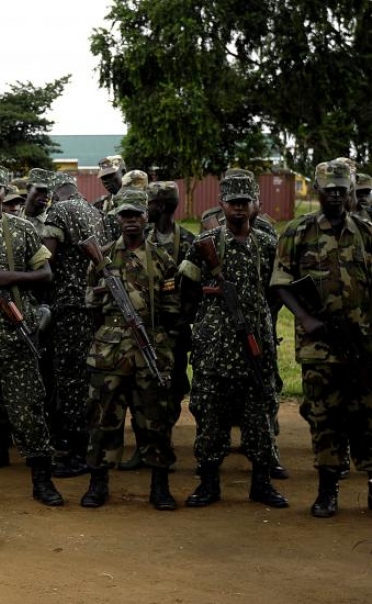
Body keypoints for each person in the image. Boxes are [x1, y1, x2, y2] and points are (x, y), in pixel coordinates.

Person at [179, 171, 287, 509]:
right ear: (222, 204)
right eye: (232, 203)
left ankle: (261, 483)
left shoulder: (268, 244)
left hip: (256, 348)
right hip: (215, 351)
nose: (239, 209)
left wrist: (262, 319)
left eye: (245, 202)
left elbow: (280, 289)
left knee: (259, 419)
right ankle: (209, 483)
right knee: (211, 419)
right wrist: (205, 317)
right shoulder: (206, 244)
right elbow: (186, 288)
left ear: (256, 205)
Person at [272, 159, 372, 518]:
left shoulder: (364, 230)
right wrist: (305, 318)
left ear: (349, 194)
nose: (335, 196)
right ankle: (327, 490)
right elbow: (281, 282)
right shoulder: (297, 233)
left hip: (361, 346)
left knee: (366, 417)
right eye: (329, 190)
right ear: (318, 192)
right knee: (324, 418)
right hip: (319, 348)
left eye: (341, 191)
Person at [79, 189, 181, 511]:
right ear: (118, 218)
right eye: (125, 215)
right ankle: (98, 484)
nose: (131, 220)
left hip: (149, 349)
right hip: (110, 353)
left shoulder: (163, 260)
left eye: (136, 214)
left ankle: (160, 486)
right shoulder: (104, 257)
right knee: (103, 420)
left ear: (146, 217)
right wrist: (108, 300)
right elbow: (90, 304)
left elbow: (171, 309)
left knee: (154, 421)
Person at [0, 165, 63, 507]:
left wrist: (8, 278)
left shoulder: (22, 230)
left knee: (27, 413)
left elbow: (46, 273)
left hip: (15, 336)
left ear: (4, 190)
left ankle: (42, 481)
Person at [117, 181, 195, 472]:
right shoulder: (138, 237)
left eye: (148, 202)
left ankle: (162, 444)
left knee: (171, 390)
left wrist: (178, 328)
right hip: (140, 333)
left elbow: (190, 291)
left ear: (159, 206)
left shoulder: (186, 242)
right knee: (139, 395)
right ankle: (142, 447)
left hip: (174, 330)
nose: (142, 208)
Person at [42, 174, 107, 478]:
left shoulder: (59, 211)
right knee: (86, 378)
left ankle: (76, 453)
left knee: (69, 381)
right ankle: (89, 445)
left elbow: (47, 258)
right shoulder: (96, 212)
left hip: (68, 308)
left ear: (54, 192)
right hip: (93, 305)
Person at [94, 155, 126, 241]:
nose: (107, 181)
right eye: (104, 178)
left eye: (111, 176)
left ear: (123, 172)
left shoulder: (140, 201)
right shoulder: (99, 205)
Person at [22, 168, 53, 238]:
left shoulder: (51, 224)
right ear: (28, 188)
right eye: (41, 190)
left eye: (50, 191)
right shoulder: (14, 214)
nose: (46, 195)